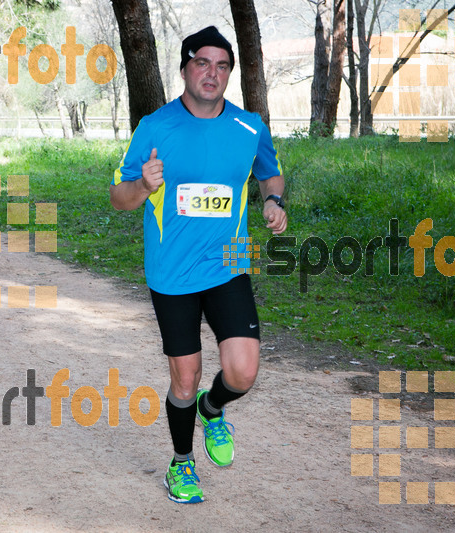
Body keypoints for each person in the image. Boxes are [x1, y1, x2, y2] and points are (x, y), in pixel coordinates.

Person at [109, 26, 287, 504]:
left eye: (222, 65)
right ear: (185, 68)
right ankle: (182, 463)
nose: (213, 73)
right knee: (183, 378)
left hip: (228, 263)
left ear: (230, 72)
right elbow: (118, 198)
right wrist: (143, 186)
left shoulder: (249, 127)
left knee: (243, 373)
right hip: (173, 273)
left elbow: (269, 171)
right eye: (203, 63)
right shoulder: (155, 127)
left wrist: (273, 200)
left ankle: (215, 408)